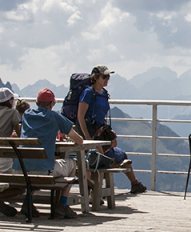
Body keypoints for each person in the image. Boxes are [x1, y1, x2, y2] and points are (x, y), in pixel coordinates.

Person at [13, 89, 85, 219]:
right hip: (42, 171)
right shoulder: (54, 116)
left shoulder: (27, 115)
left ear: (37, 102)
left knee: (34, 167)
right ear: (51, 104)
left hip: (21, 169)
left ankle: (27, 202)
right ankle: (62, 205)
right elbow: (78, 140)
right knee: (72, 164)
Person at [75, 65, 147, 195]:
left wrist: (108, 132)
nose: (107, 79)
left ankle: (132, 184)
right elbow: (80, 116)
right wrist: (88, 139)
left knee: (116, 155)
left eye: (108, 76)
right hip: (91, 135)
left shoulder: (103, 94)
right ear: (96, 78)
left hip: (100, 135)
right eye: (104, 76)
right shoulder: (88, 93)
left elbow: (101, 116)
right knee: (98, 160)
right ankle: (93, 193)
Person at [0, 88, 23, 217]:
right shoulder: (13, 113)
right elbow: (20, 136)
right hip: (3, 158)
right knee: (20, 187)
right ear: (9, 101)